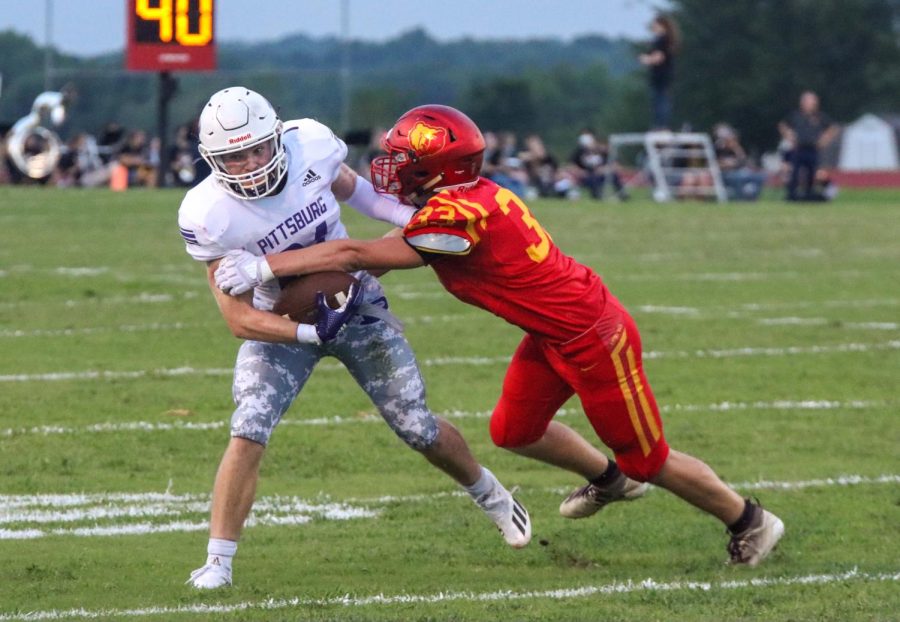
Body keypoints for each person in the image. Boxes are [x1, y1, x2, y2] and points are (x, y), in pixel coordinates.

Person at [215, 104, 785, 568]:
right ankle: (606, 480)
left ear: (437, 167)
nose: (391, 165)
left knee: (647, 458)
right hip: (551, 332)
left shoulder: (453, 219)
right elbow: (374, 257)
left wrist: (264, 268)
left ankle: (749, 520)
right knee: (513, 431)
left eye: (404, 158)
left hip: (592, 336)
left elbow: (357, 252)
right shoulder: (461, 198)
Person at [177, 88, 534, 589]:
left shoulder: (312, 146)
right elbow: (238, 321)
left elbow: (356, 191)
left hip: (355, 300)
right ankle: (218, 562)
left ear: (277, 138)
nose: (250, 164)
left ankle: (492, 495)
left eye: (257, 149)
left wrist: (411, 219)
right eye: (234, 156)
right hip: (279, 320)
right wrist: (306, 330)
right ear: (214, 161)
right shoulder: (207, 213)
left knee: (417, 426)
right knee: (249, 425)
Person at [778, 91, 839, 201]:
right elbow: (782, 125)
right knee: (795, 171)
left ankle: (809, 193)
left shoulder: (819, 116)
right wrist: (789, 136)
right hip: (799, 148)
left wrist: (824, 140)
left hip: (813, 148)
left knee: (812, 172)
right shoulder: (796, 115)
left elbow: (833, 128)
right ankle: (792, 194)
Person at [639, 14, 680, 130]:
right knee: (661, 100)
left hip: (661, 75)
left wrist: (646, 59)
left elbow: (659, 58)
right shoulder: (667, 40)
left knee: (660, 101)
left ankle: (661, 126)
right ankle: (661, 125)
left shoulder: (662, 40)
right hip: (664, 74)